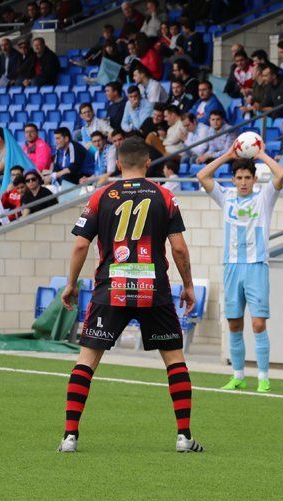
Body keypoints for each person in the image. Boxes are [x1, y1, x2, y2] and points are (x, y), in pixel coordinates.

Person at [57, 136, 203, 454]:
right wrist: (188, 285)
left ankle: (69, 436)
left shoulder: (99, 197)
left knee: (87, 361)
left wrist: (70, 284)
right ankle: (184, 437)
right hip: (154, 288)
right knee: (174, 360)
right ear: (148, 162)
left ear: (119, 163)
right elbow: (178, 247)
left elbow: (81, 244)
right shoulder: (164, 196)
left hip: (111, 287)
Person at [196, 145, 283, 393]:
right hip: (232, 266)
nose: (244, 182)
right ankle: (238, 376)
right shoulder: (225, 196)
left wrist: (260, 155)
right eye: (239, 178)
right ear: (233, 180)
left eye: (248, 177)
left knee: (258, 324)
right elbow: (202, 176)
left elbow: (280, 175)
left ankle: (263, 377)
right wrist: (227, 155)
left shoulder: (264, 197)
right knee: (234, 323)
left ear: (255, 179)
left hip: (256, 265)